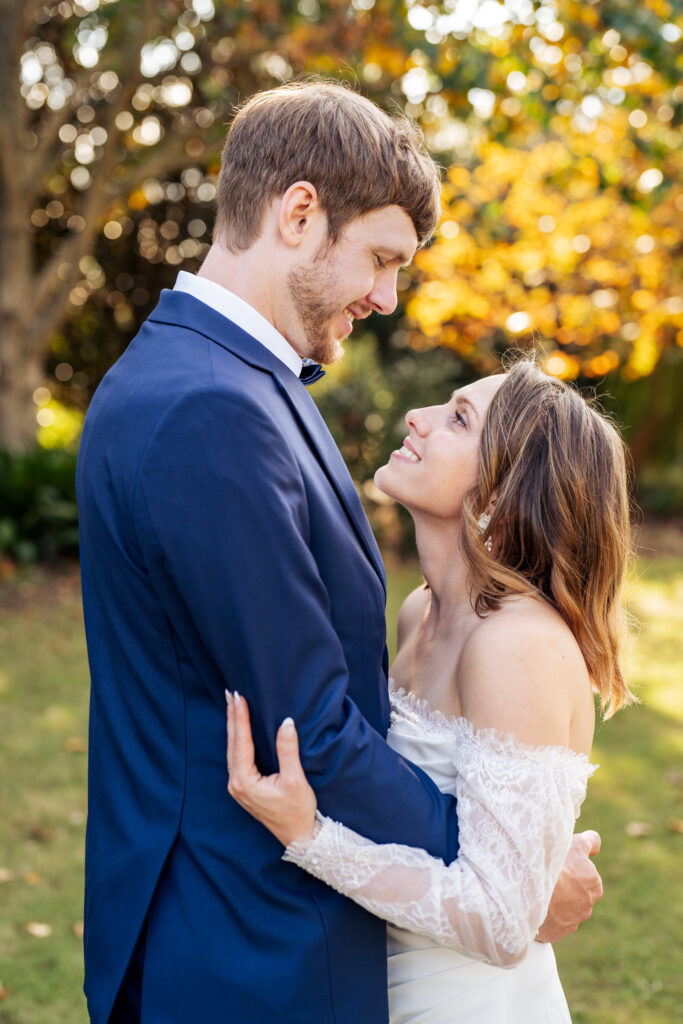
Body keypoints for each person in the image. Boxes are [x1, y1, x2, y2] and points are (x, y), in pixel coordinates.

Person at [77, 79, 600, 1024]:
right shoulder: (213, 408)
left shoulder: (225, 376)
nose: (385, 296)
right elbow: (307, 725)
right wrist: (509, 872)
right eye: (380, 258)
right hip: (244, 944)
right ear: (299, 212)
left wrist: (506, 864)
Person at [225, 358, 633, 1022]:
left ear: (500, 492)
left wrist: (309, 835)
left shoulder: (514, 643)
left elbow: (502, 924)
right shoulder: (419, 609)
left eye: (458, 420)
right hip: (376, 981)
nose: (417, 418)